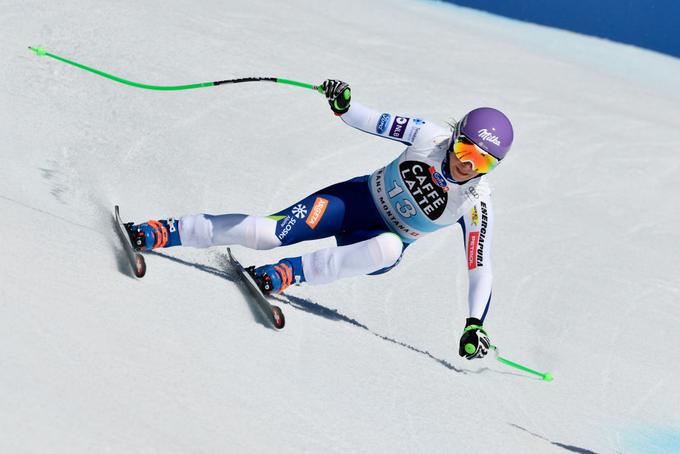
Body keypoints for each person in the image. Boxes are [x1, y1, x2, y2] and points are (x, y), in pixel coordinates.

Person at [125, 79, 514, 360]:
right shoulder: (428, 136)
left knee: (389, 247)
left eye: (482, 161)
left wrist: (474, 324)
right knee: (265, 233)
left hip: (374, 242)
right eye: (465, 148)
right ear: (455, 134)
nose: (466, 164)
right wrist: (344, 105)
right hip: (353, 201)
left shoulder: (477, 202)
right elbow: (373, 120)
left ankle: (284, 274)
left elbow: (480, 267)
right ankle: (162, 232)